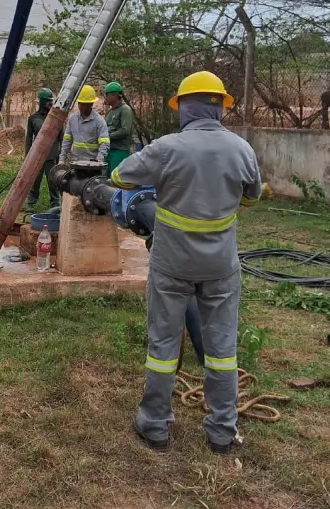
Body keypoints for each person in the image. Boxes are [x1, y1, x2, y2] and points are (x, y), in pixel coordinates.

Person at [111, 71, 262, 454]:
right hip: (220, 267)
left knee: (163, 346)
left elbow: (120, 177)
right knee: (222, 349)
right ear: (219, 107)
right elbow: (251, 198)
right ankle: (222, 432)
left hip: (172, 265)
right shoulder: (242, 149)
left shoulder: (167, 148)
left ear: (184, 108)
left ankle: (154, 426)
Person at [24, 88, 62, 211]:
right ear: (42, 103)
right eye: (48, 102)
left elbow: (62, 137)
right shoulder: (33, 118)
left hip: (51, 156)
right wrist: (27, 156)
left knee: (53, 181)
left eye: (51, 102)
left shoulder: (56, 118)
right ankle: (31, 203)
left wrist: (61, 155)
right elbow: (29, 138)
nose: (50, 104)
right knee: (34, 180)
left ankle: (55, 205)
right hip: (37, 156)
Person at [59, 85, 110, 167]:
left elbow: (104, 143)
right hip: (75, 163)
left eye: (84, 104)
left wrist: (99, 160)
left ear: (91, 104)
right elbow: (67, 140)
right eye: (80, 103)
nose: (81, 106)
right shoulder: (73, 119)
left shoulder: (99, 121)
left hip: (92, 165)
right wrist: (62, 159)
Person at [103, 81, 136, 177]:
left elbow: (125, 130)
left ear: (115, 95)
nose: (106, 97)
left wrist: (108, 136)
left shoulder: (125, 109)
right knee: (106, 178)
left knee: (116, 179)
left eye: (107, 95)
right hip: (109, 151)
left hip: (120, 151)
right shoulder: (110, 112)